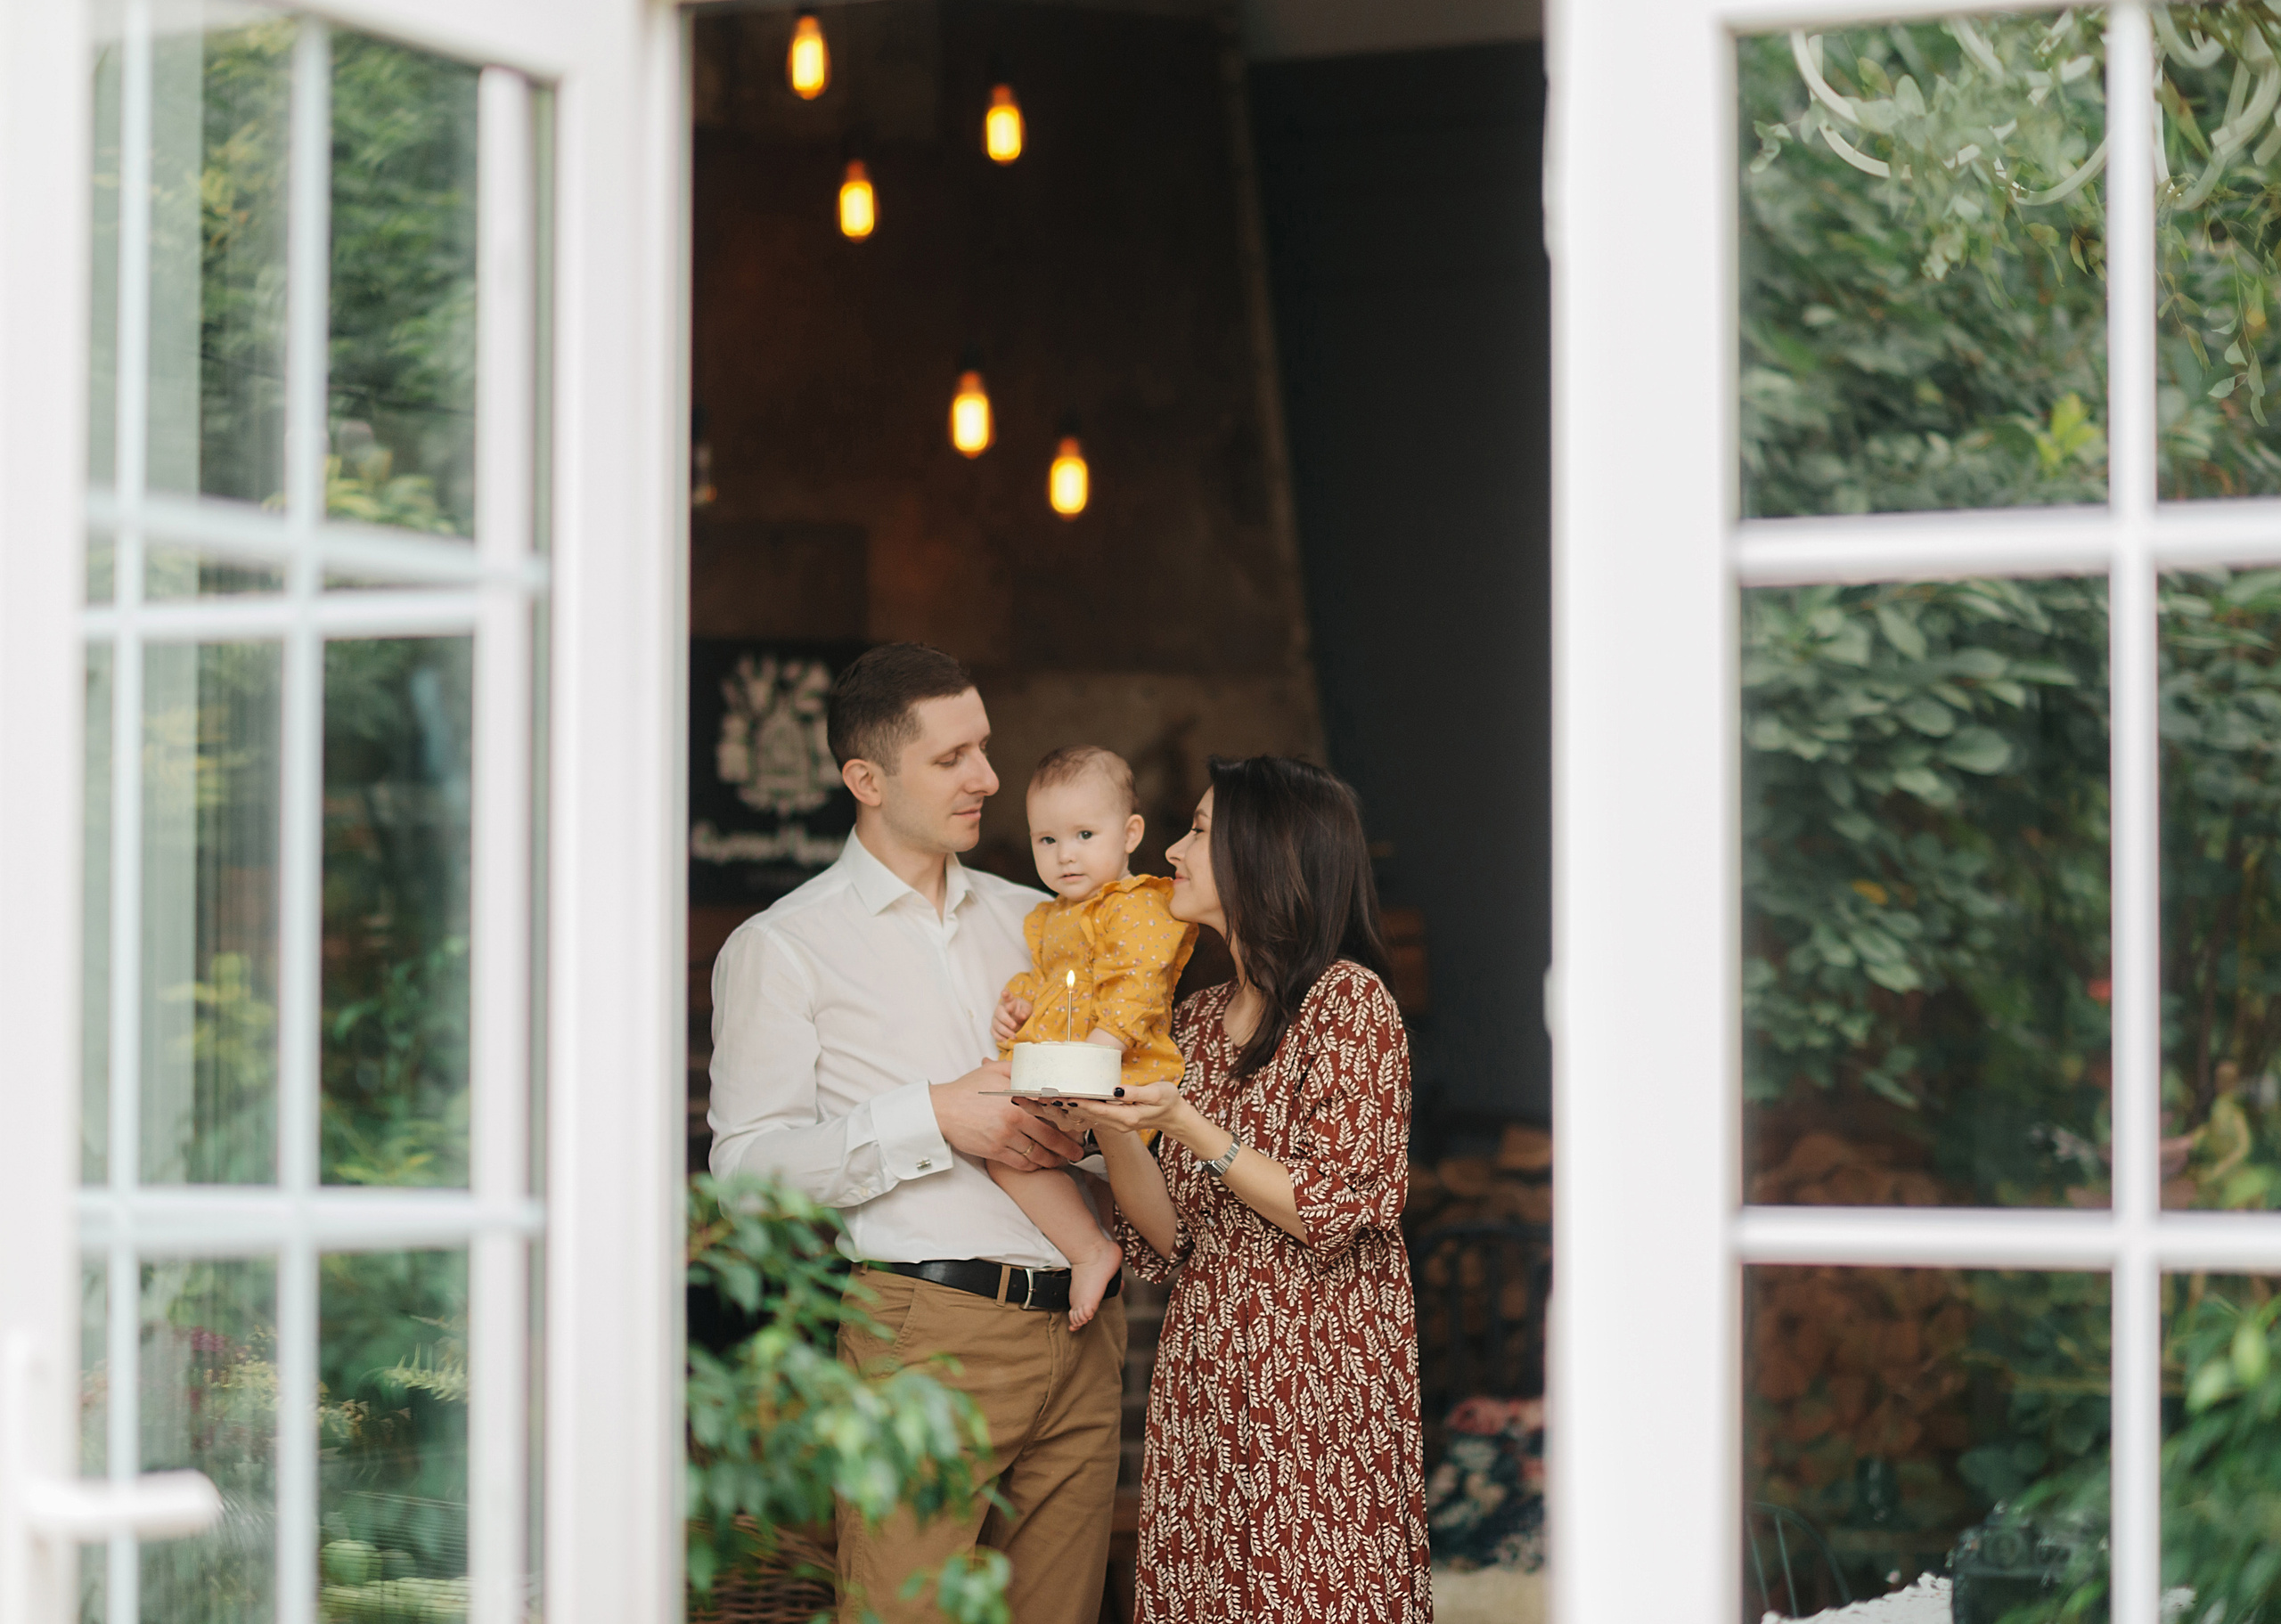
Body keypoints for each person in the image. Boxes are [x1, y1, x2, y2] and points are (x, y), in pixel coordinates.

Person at [707, 642, 1125, 1624]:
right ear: (865, 778)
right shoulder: (782, 946)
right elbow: (745, 1177)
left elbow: (1120, 1095)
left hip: (1081, 1331)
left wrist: (1084, 1132)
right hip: (923, 1339)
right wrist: (931, 1113)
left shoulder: (1042, 921)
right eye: (951, 758)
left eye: (983, 747)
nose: (987, 778)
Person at [1042, 755, 1433, 1622]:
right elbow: (1169, 1240)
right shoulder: (1189, 1018)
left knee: (1315, 1592)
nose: (1172, 850)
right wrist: (1111, 1122)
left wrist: (1184, 1123)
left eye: (1199, 829)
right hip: (1205, 1371)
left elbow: (1329, 1203)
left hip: (1317, 1377)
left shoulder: (1349, 1001)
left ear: (1268, 852)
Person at [986, 746, 1198, 1327]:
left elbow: (1139, 986)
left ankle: (1092, 1250)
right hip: (1070, 1088)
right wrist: (1020, 1002)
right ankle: (1097, 1245)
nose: (1065, 855)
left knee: (1009, 1149)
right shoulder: (1053, 915)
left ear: (1131, 832)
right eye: (1047, 840)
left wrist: (1100, 1054)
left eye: (1083, 833)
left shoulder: (1140, 906)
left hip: (1119, 1085)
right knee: (1009, 1149)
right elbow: (1055, 981)